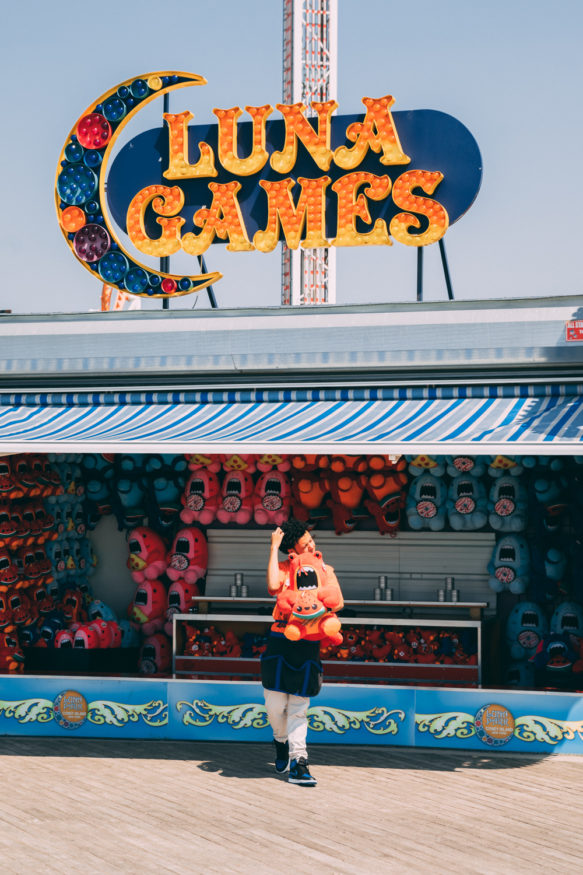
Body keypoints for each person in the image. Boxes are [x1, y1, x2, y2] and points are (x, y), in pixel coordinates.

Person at [261, 518, 343, 786]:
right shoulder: (285, 568)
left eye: (312, 539)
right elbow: (273, 586)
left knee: (298, 708)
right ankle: (280, 741)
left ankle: (300, 762)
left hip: (308, 641)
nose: (312, 543)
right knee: (275, 706)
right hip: (279, 639)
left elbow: (338, 601)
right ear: (293, 547)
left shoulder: (325, 569)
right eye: (305, 541)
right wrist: (273, 548)